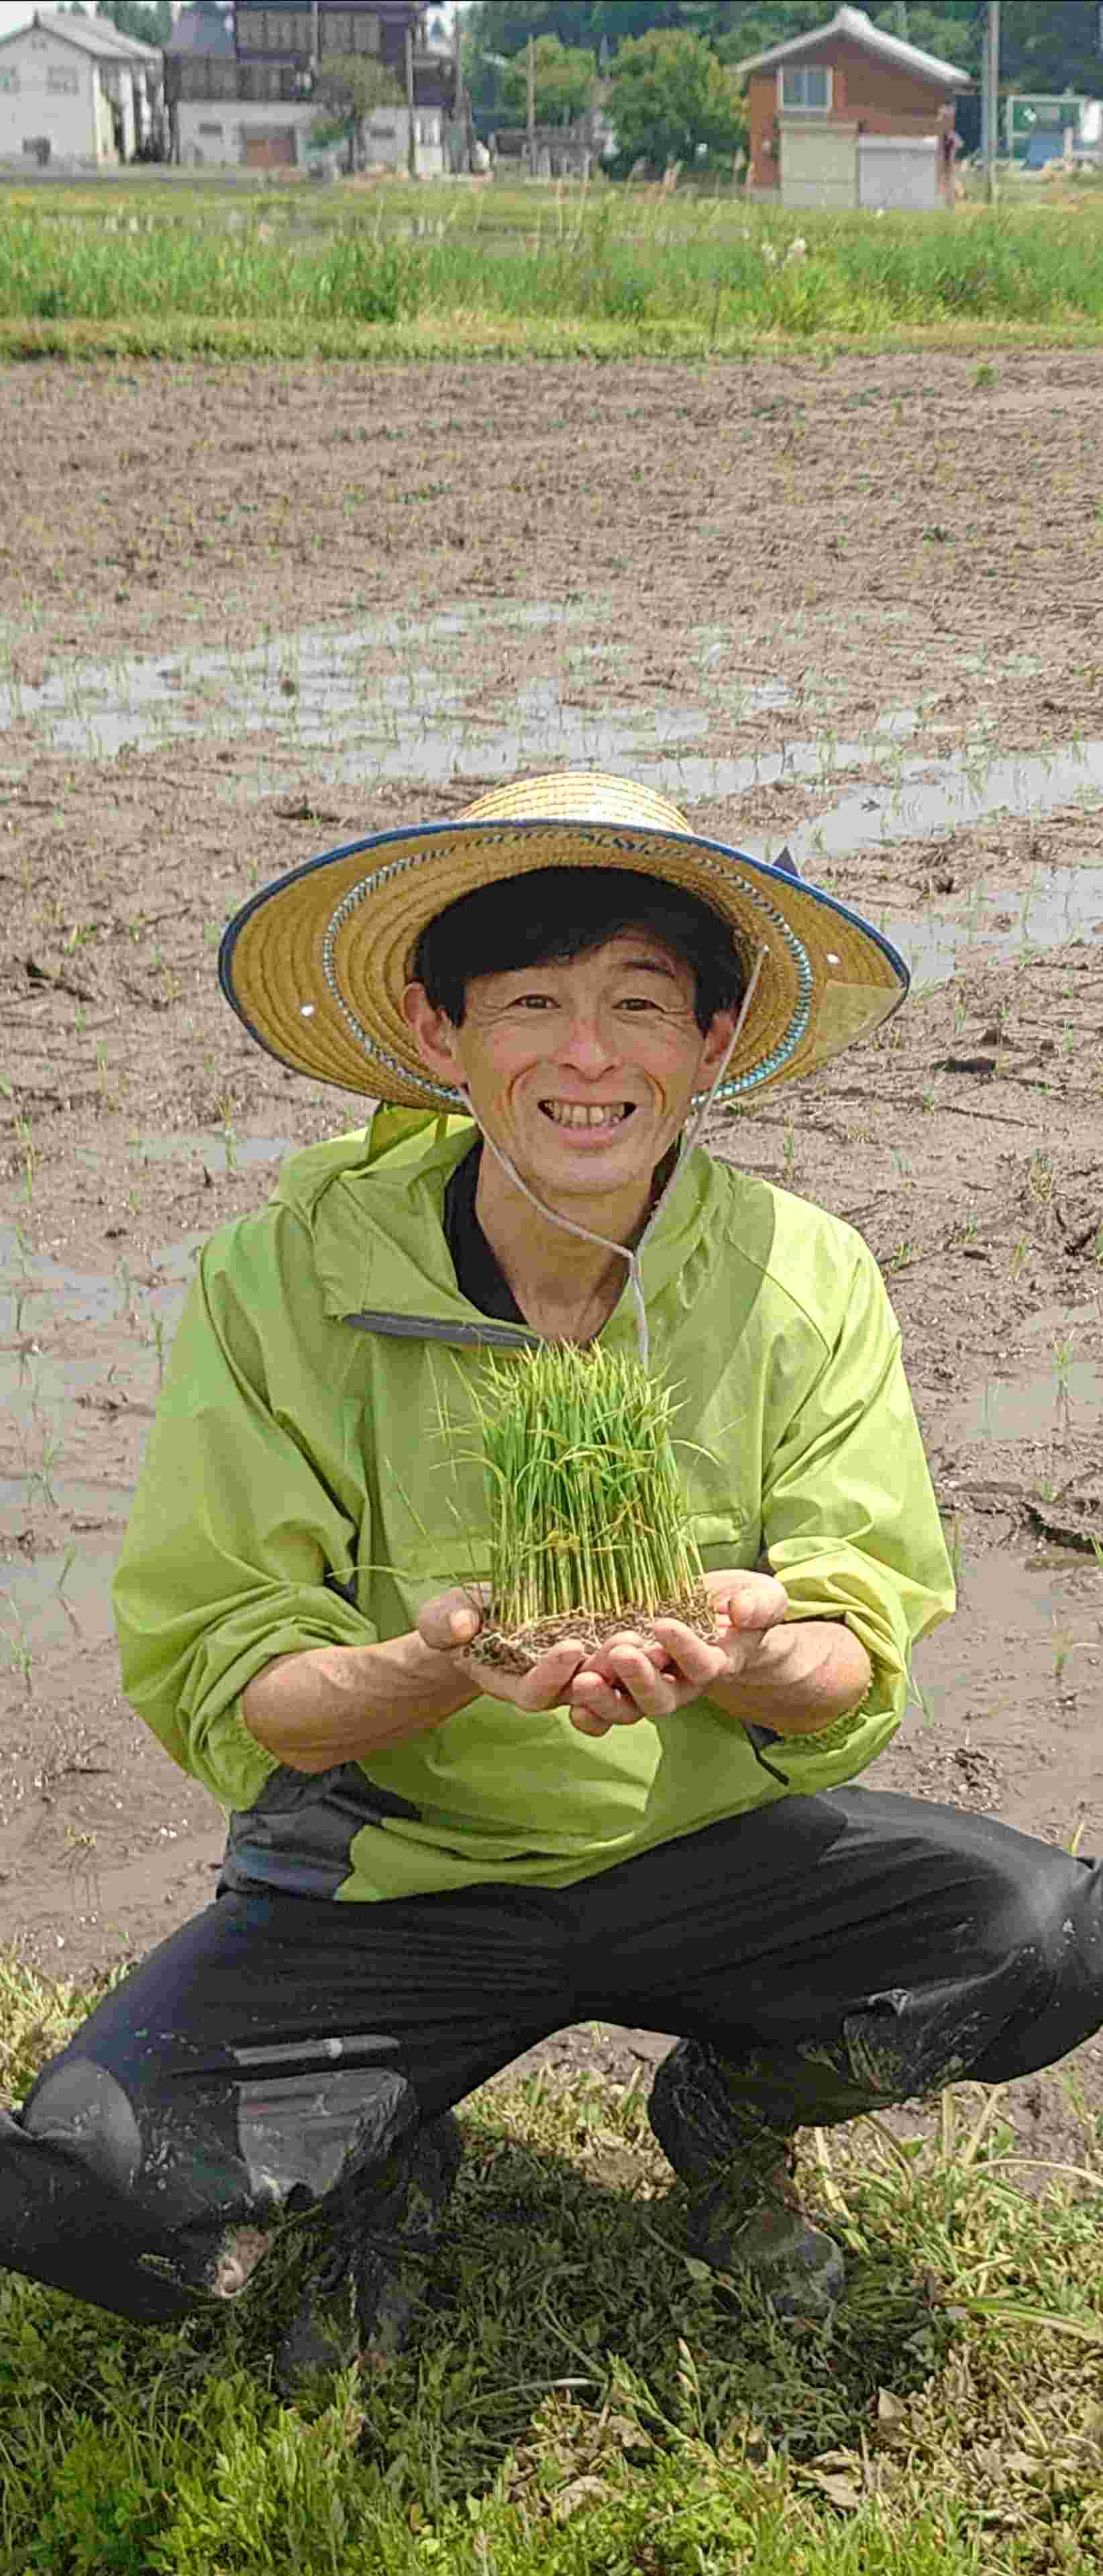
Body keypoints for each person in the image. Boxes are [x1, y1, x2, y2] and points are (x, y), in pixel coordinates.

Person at [3, 771, 1101, 2393]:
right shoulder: (282, 1281)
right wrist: (442, 1663)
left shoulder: (803, 1276)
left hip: (698, 1838)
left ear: (713, 1042)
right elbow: (246, 1683)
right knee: (86, 2191)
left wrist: (739, 1648)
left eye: (639, 1006)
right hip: (393, 1870)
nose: (588, 1060)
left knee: (1046, 1936)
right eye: (532, 1004)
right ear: (439, 1033)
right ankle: (388, 2138)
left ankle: (730, 2118)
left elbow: (852, 1648)